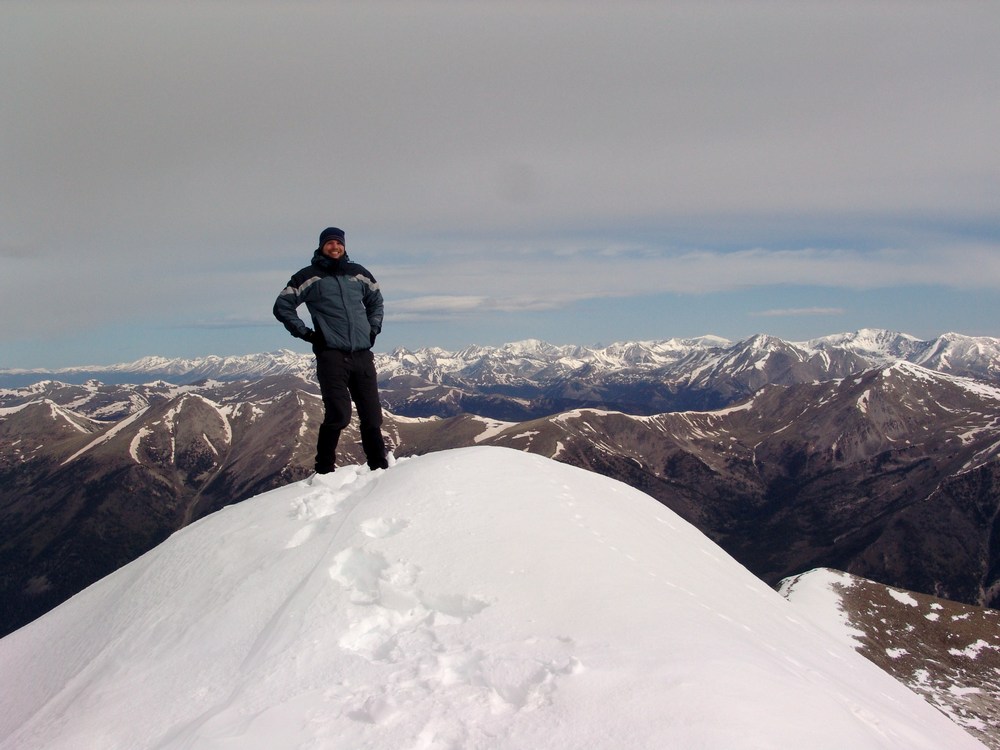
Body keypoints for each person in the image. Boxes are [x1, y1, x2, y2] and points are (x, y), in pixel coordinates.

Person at [273, 226, 389, 473]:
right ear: (322, 246)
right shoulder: (309, 276)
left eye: (339, 243)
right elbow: (283, 305)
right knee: (339, 415)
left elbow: (376, 301)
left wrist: (373, 329)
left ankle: (379, 470)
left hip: (362, 354)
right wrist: (306, 334)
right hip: (332, 356)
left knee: (372, 417)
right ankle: (324, 470)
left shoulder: (359, 274)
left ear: (344, 246)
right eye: (330, 243)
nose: (335, 247)